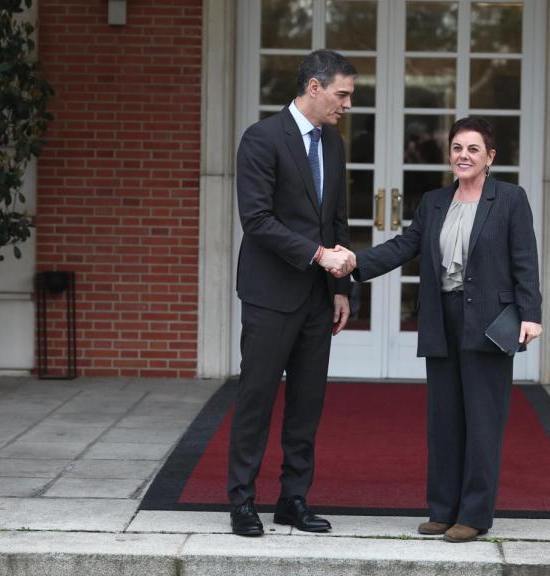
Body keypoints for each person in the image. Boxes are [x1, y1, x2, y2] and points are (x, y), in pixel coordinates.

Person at [353, 117, 542, 543]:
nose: (464, 155)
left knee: (482, 420)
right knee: (444, 420)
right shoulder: (435, 202)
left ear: (490, 157)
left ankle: (473, 514)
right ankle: (443, 509)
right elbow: (406, 245)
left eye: (473, 149)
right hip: (442, 319)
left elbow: (525, 259)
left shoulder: (510, 199)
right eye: (457, 148)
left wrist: (531, 313)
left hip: (490, 324)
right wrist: (356, 265)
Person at [228, 49, 358, 537]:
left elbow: (336, 219)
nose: (346, 104)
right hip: (269, 294)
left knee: (307, 403)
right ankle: (242, 500)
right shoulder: (261, 139)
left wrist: (340, 287)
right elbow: (257, 220)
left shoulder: (335, 143)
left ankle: (293, 499)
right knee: (256, 399)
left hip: (319, 299)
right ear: (313, 88)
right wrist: (319, 255)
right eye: (342, 94)